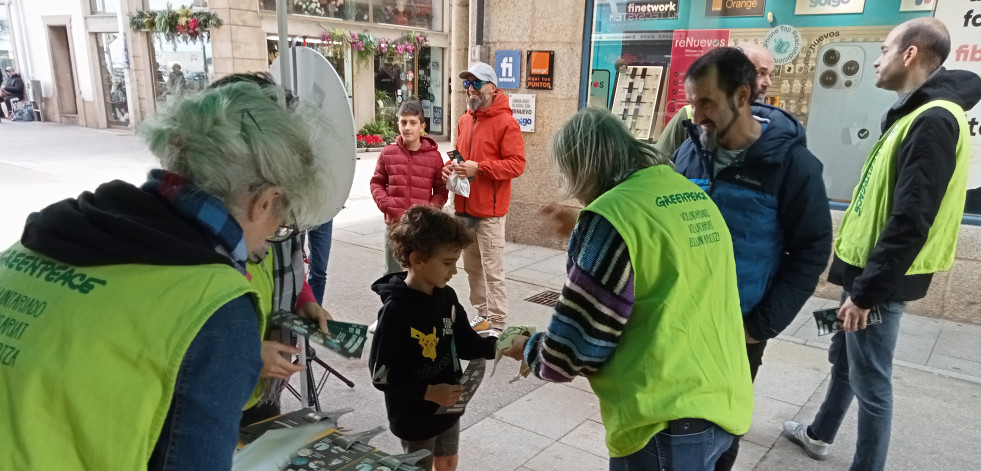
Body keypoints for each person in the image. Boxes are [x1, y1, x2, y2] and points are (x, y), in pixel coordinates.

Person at [0, 78, 335, 470]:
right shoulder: (214, 307)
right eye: (279, 226)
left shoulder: (37, 243)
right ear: (266, 201)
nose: (266, 245)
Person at [505, 107, 753, 470]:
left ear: (580, 169)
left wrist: (527, 348)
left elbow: (573, 351)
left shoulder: (611, 218)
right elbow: (663, 260)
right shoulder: (686, 193)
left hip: (663, 422)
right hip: (725, 403)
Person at [783, 18, 981, 471]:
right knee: (843, 358)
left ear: (910, 54)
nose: (876, 58)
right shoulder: (917, 112)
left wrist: (866, 294)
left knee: (872, 383)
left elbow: (912, 218)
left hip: (879, 281)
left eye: (886, 48)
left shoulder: (933, 119)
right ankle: (818, 435)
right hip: (865, 271)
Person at [671, 47, 832, 470]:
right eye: (692, 101)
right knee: (670, 423)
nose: (697, 113)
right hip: (678, 319)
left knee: (720, 431)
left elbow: (812, 250)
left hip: (738, 328)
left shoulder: (791, 164)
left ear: (742, 96)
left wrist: (758, 326)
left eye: (707, 102)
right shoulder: (690, 151)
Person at [204, 73, 333, 426]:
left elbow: (289, 271)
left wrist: (305, 300)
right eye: (279, 208)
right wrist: (246, 355)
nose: (280, 227)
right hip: (219, 403)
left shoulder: (239, 229)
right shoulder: (187, 263)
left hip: (257, 391)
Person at [368, 206, 499, 471]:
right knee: (420, 467)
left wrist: (503, 345)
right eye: (447, 263)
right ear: (417, 260)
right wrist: (428, 392)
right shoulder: (396, 311)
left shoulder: (447, 297)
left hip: (448, 407)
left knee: (448, 461)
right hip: (413, 414)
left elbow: (466, 342)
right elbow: (381, 374)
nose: (454, 271)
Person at [441, 61, 525, 336]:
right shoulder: (466, 119)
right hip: (464, 208)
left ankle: (498, 321)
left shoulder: (507, 123)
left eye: (477, 83)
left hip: (490, 212)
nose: (471, 90)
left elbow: (517, 164)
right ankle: (483, 315)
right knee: (472, 268)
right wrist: (451, 169)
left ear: (492, 87)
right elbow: (461, 157)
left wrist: (481, 168)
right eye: (467, 84)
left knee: (492, 270)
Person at [655, 43, 775, 158]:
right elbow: (659, 168)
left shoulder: (778, 136)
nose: (768, 83)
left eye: (770, 75)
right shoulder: (687, 125)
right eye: (760, 73)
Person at [371, 99, 449, 276]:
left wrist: (428, 211)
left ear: (422, 126)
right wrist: (386, 205)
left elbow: (441, 190)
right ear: (398, 124)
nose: (407, 127)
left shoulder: (434, 157)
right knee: (393, 276)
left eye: (413, 123)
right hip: (394, 226)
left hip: (421, 228)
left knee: (421, 276)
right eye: (403, 122)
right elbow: (377, 182)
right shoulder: (387, 153)